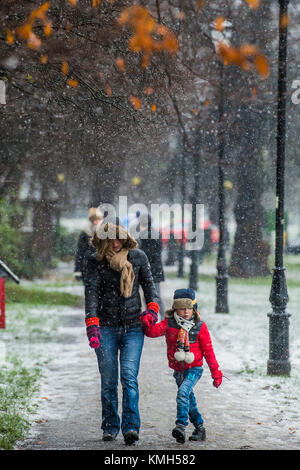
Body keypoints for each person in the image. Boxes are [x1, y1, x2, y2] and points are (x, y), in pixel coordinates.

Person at [83, 217, 159, 445]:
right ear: (102, 242)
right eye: (110, 241)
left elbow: (150, 287)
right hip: (105, 327)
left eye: (118, 239)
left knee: (128, 377)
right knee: (108, 380)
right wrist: (92, 323)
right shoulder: (95, 261)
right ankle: (110, 426)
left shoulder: (138, 257)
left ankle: (130, 427)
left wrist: (152, 310)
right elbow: (92, 293)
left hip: (133, 327)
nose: (115, 244)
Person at [139, 287, 223, 444]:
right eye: (181, 308)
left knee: (183, 393)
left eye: (189, 308)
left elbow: (209, 352)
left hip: (194, 369)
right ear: (175, 309)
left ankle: (180, 426)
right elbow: (152, 332)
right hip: (178, 370)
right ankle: (200, 428)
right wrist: (146, 322)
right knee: (188, 399)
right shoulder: (169, 324)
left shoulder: (200, 326)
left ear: (194, 308)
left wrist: (216, 373)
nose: (185, 312)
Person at [137, 213, 165, 318]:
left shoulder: (147, 235)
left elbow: (149, 253)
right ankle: (154, 316)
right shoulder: (153, 233)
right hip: (154, 269)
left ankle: (157, 317)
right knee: (153, 295)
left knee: (153, 296)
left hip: (151, 270)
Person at [74, 207, 103, 283]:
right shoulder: (85, 234)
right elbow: (80, 252)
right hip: (88, 267)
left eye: (98, 219)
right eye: (94, 220)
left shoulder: (106, 233)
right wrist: (78, 269)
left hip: (102, 268)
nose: (96, 222)